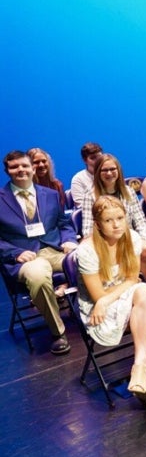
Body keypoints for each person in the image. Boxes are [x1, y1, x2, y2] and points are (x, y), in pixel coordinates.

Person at [76, 195, 146, 408]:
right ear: (98, 224)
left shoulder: (132, 238)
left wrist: (117, 293)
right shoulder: (87, 250)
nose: (116, 224)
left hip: (125, 296)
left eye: (120, 218)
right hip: (99, 310)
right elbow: (98, 297)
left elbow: (132, 278)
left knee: (144, 293)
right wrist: (104, 301)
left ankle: (140, 369)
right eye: (108, 220)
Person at [0, 150, 78, 354]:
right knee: (38, 274)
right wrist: (14, 252)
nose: (20, 170)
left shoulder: (50, 195)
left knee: (86, 260)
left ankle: (98, 316)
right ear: (7, 171)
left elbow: (64, 224)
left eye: (24, 165)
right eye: (14, 167)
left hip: (52, 250)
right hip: (23, 258)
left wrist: (69, 241)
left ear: (33, 168)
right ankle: (58, 333)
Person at [81, 154, 146, 284]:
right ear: (98, 172)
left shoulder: (129, 192)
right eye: (104, 170)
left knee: (144, 250)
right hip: (106, 241)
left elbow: (140, 221)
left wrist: (144, 239)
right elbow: (88, 230)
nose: (109, 173)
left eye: (113, 169)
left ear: (118, 171)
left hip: (131, 238)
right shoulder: (90, 196)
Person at [70, 142, 104, 209]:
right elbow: (80, 206)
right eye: (93, 158)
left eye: (99, 157)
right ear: (85, 160)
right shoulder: (78, 179)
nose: (97, 161)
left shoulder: (109, 173)